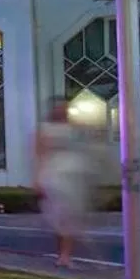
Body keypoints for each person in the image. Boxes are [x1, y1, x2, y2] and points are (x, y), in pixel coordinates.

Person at [35, 100, 93, 268]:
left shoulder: (74, 129)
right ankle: (62, 252)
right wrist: (38, 177)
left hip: (74, 176)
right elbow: (40, 153)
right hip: (54, 176)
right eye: (60, 107)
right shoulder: (45, 129)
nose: (63, 111)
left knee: (70, 216)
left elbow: (85, 149)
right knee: (58, 216)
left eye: (66, 108)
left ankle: (65, 255)